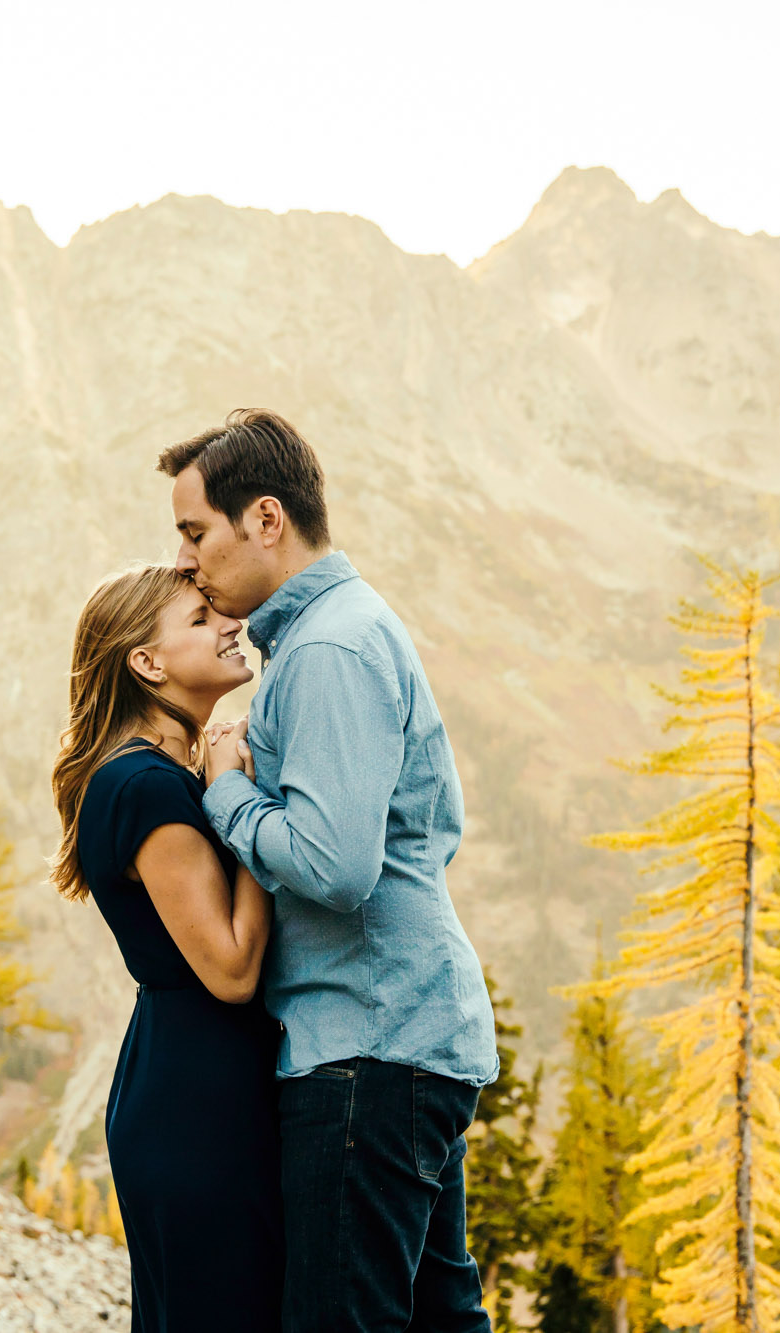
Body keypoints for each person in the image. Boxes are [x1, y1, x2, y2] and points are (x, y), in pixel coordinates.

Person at [159, 409, 499, 1333]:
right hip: (404, 1038)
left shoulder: (328, 650)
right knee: (440, 1317)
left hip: (367, 1048)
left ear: (265, 519)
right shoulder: (334, 635)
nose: (186, 559)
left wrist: (227, 790)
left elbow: (335, 864)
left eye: (196, 533)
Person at [49, 563, 283, 1333]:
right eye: (197, 618)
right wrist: (238, 796)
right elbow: (232, 967)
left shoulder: (149, 776)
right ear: (147, 664)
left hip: (187, 1079)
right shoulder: (147, 785)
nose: (228, 625)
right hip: (199, 1103)